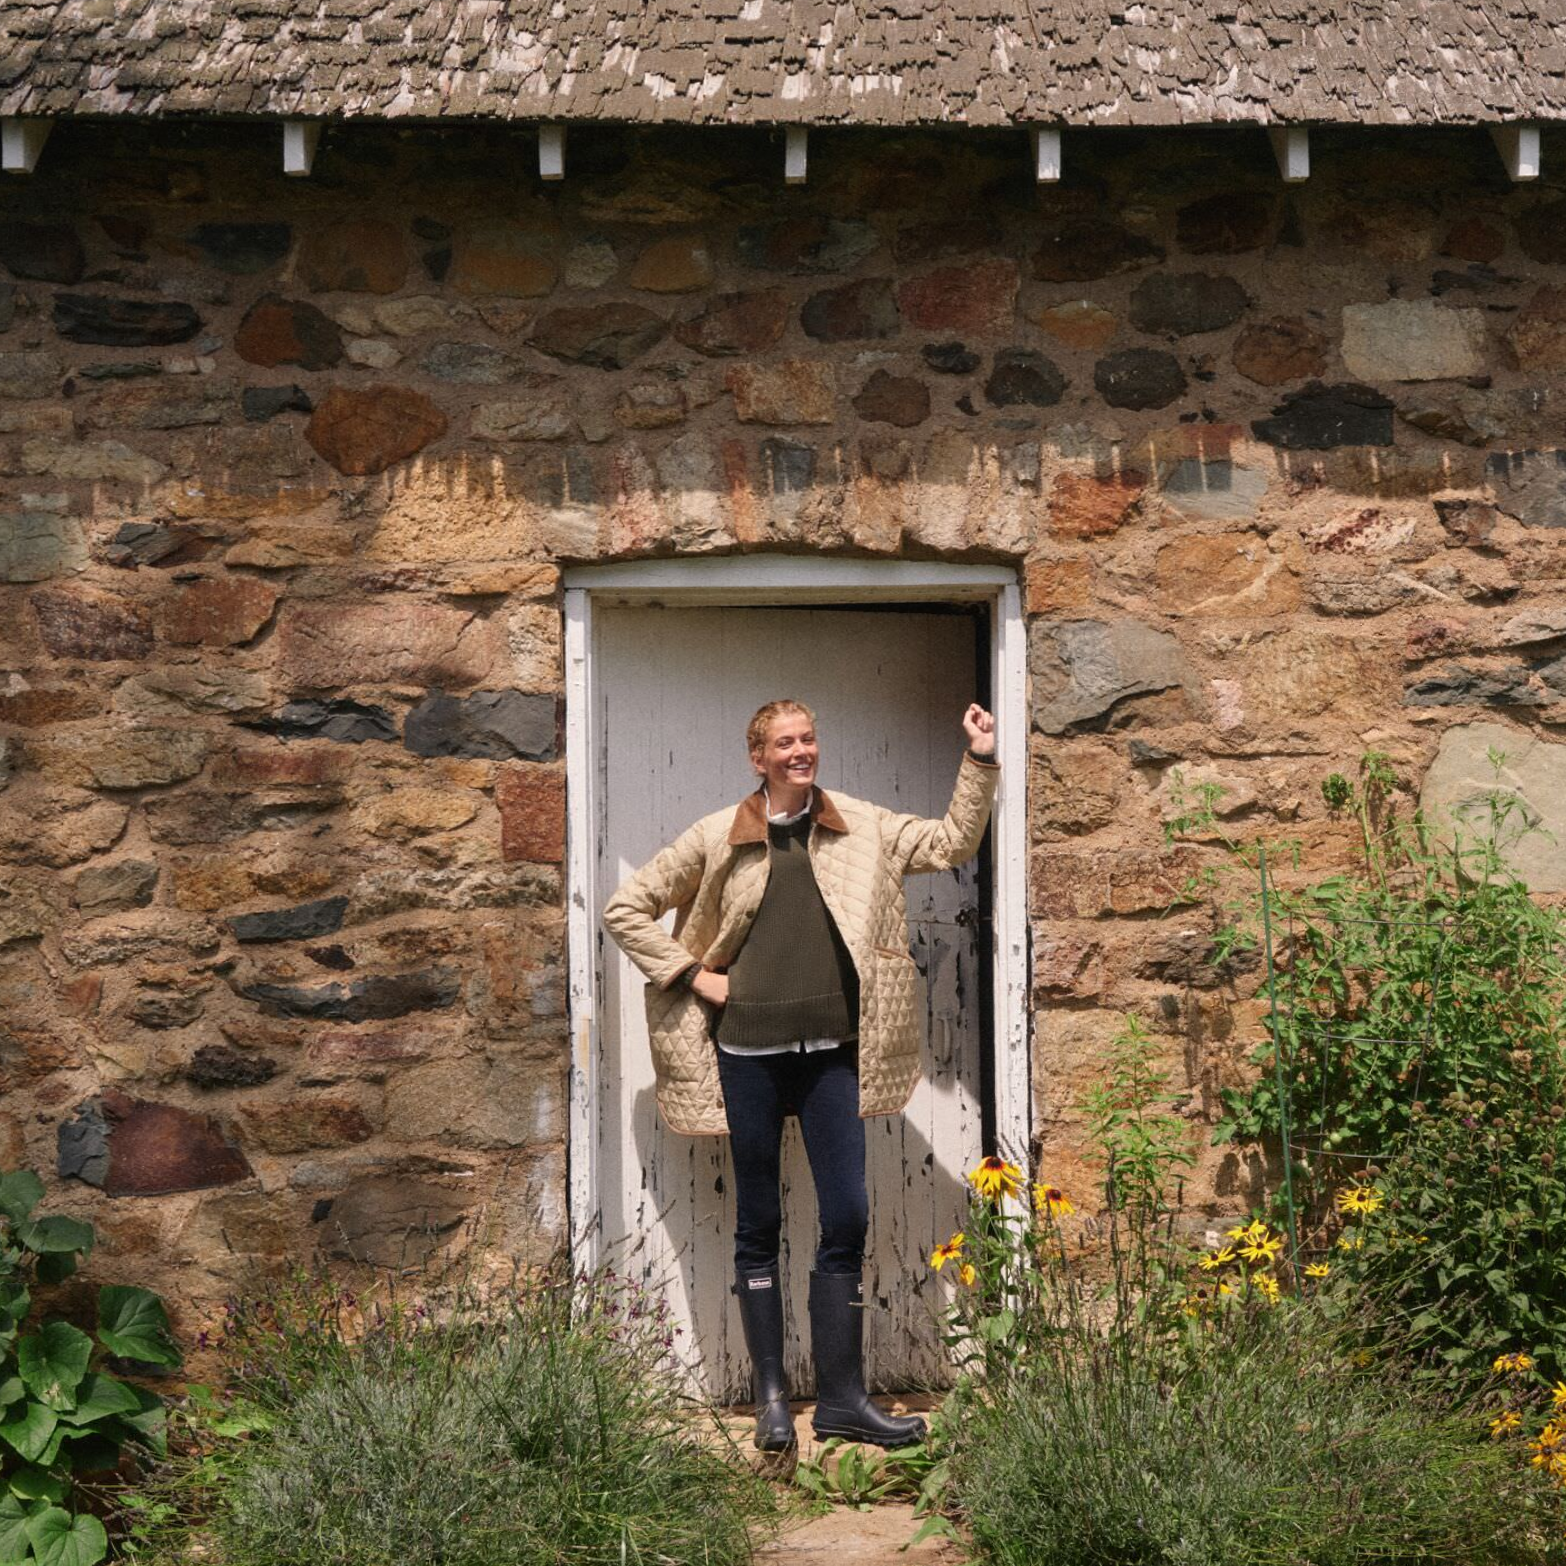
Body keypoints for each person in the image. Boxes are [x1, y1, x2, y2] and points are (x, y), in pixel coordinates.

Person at [602, 698, 998, 1452]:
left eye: (808, 738)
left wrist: (978, 759)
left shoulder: (861, 824)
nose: (799, 752)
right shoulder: (719, 833)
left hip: (834, 1053)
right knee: (759, 1224)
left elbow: (951, 843)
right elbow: (628, 907)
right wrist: (690, 972)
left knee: (845, 1217)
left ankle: (845, 1400)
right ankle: (773, 1401)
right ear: (758, 757)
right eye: (784, 743)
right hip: (747, 1055)